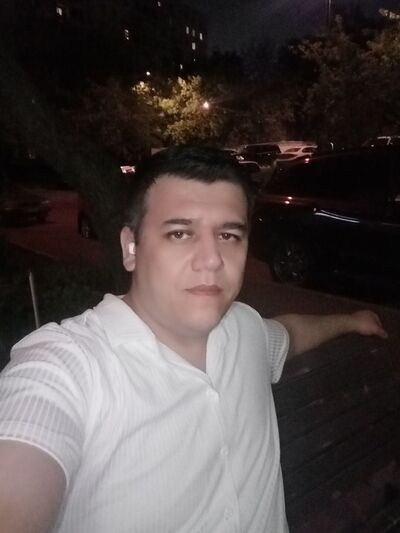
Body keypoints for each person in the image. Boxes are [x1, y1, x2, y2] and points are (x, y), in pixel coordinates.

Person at [0, 145, 387, 533]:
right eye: (180, 233)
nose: (212, 259)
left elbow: (291, 333)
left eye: (228, 235)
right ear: (130, 248)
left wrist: (351, 320)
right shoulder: (68, 367)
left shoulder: (244, 328)